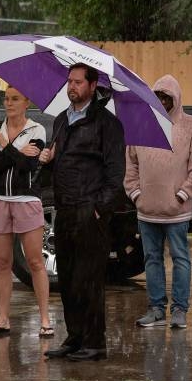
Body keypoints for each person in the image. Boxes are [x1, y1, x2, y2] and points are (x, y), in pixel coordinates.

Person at [38, 63, 125, 362]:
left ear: (92, 85)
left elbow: (116, 175)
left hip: (90, 212)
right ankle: (74, 337)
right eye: (69, 81)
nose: (71, 86)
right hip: (64, 209)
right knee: (69, 278)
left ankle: (94, 342)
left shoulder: (106, 123)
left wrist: (100, 209)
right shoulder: (62, 120)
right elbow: (60, 162)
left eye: (77, 82)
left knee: (89, 279)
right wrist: (47, 158)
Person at [126, 75, 192, 330]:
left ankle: (180, 310)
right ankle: (156, 309)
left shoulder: (191, 126)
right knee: (151, 259)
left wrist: (182, 196)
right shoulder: (140, 123)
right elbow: (130, 166)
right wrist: (136, 195)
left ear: (175, 98)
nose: (162, 101)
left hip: (177, 212)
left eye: (166, 97)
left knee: (180, 258)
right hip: (146, 211)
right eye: (158, 97)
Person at [0, 87, 53, 337]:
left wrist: (6, 147)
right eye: (7, 99)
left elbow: (30, 166)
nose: (9, 104)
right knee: (3, 262)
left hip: (26, 200)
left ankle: (45, 319)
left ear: (26, 102)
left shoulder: (37, 130)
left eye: (15, 99)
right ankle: (2, 318)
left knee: (34, 261)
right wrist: (15, 152)